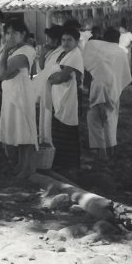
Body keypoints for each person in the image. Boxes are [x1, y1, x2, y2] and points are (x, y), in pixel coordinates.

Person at [0, 19, 38, 179]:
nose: (10, 36)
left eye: (14, 32)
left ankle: (28, 167)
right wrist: (5, 51)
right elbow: (2, 72)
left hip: (21, 93)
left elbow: (2, 74)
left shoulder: (26, 50)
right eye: (7, 32)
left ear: (23, 34)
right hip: (11, 93)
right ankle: (21, 164)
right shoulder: (11, 50)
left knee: (25, 129)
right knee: (18, 129)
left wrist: (5, 51)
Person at [84, 28, 131, 160]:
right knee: (109, 118)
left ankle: (101, 150)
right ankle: (109, 150)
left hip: (98, 87)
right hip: (112, 88)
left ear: (104, 38)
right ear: (118, 39)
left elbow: (87, 67)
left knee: (94, 117)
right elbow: (125, 75)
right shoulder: (120, 52)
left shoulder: (97, 49)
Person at [48, 27, 84, 170]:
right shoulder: (63, 54)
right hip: (58, 98)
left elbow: (61, 77)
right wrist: (54, 77)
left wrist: (51, 78)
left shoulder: (75, 55)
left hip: (70, 98)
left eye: (69, 40)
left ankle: (69, 167)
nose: (66, 42)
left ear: (76, 41)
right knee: (58, 131)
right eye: (63, 39)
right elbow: (54, 75)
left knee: (67, 131)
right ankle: (59, 164)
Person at [36, 25, 64, 145]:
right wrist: (42, 54)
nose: (47, 41)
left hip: (57, 88)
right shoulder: (49, 51)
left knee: (53, 118)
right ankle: (44, 140)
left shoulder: (62, 52)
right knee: (45, 115)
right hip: (46, 87)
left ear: (57, 40)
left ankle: (51, 142)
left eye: (50, 39)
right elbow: (41, 68)